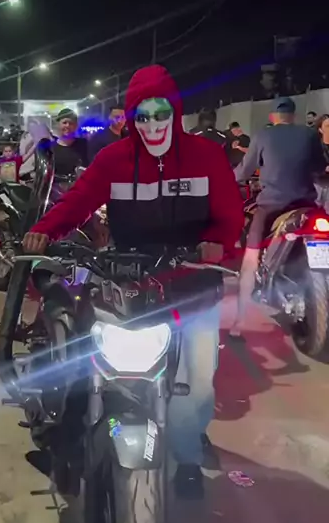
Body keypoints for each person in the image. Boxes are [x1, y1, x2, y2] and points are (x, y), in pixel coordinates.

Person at [23, 65, 244, 499]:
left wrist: (217, 243)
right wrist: (45, 230)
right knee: (98, 366)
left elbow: (230, 214)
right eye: (143, 116)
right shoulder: (114, 159)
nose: (153, 125)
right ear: (131, 118)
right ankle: (83, 440)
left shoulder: (206, 157)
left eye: (162, 114)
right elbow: (79, 200)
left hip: (194, 287)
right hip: (130, 287)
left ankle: (187, 458)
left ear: (175, 113)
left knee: (196, 382)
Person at [232, 97, 326, 337]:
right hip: (306, 206)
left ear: (273, 116)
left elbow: (244, 170)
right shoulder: (309, 135)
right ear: (293, 115)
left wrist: (226, 178)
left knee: (250, 260)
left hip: (272, 206)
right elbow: (319, 169)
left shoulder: (264, 135)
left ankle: (239, 323)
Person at [52, 108, 88, 175]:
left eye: (71, 123)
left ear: (76, 126)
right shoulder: (51, 148)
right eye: (64, 123)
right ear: (58, 125)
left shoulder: (84, 145)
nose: (67, 126)